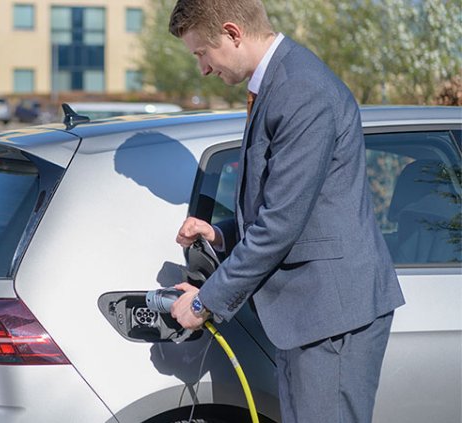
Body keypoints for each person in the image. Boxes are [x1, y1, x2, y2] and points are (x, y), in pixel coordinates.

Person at [166, 1, 405, 422]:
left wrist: (204, 304)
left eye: (202, 52)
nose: (202, 68)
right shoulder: (278, 83)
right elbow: (287, 206)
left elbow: (280, 223)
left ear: (233, 32)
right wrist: (221, 234)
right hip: (312, 315)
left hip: (331, 315)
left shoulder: (300, 89)